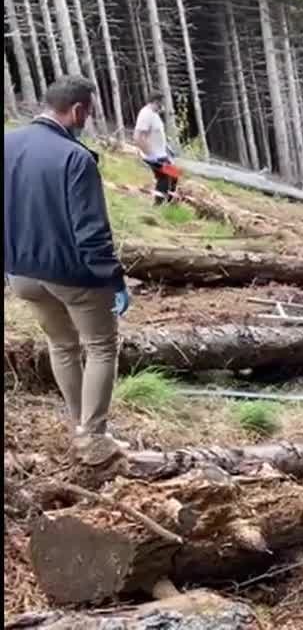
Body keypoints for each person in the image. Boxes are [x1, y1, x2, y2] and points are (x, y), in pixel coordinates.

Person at [4, 75, 131, 449]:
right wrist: (115, 280)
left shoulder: (7, 143)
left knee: (62, 346)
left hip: (22, 272)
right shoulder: (76, 158)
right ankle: (93, 437)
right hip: (73, 275)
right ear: (77, 110)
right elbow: (91, 232)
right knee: (101, 347)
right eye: (88, 112)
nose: (87, 120)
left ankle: (80, 425)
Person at [133, 92, 178, 205]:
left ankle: (168, 202)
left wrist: (167, 147)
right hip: (153, 156)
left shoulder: (155, 114)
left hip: (161, 154)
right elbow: (138, 137)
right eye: (161, 103)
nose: (162, 106)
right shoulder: (145, 114)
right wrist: (150, 155)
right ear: (156, 102)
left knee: (175, 174)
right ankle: (158, 205)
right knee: (164, 178)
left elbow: (157, 134)